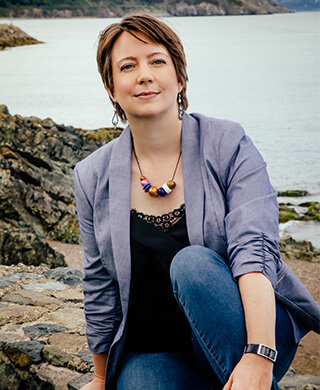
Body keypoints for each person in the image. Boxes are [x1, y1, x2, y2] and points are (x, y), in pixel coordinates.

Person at [73, 13, 320, 390]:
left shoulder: (227, 143)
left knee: (192, 265)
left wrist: (257, 354)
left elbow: (254, 249)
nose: (144, 74)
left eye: (157, 61)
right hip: (157, 350)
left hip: (253, 330)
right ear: (111, 87)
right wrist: (100, 377)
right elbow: (99, 285)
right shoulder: (92, 176)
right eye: (127, 66)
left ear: (180, 77)